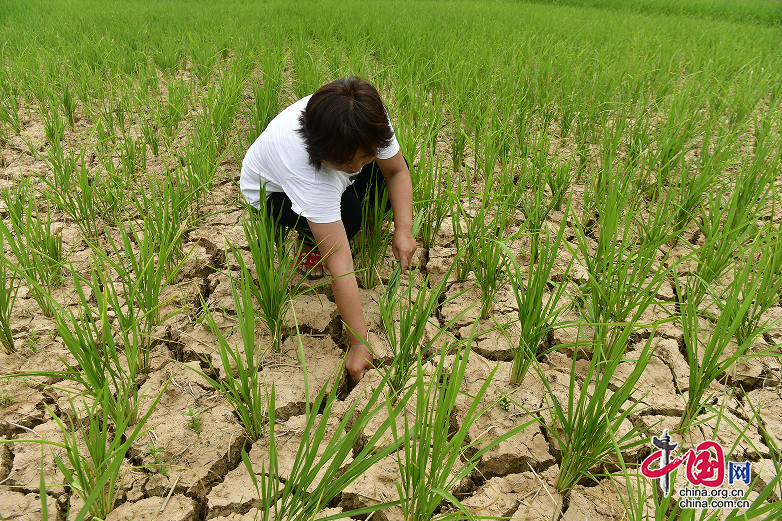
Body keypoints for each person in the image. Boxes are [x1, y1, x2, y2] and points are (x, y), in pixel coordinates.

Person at [240, 76, 417, 384]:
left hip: (329, 165)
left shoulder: (367, 120)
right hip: (272, 194)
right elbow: (341, 264)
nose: (355, 167)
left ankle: (363, 224)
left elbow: (397, 171)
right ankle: (310, 241)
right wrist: (359, 344)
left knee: (383, 188)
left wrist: (404, 229)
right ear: (321, 149)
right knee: (348, 218)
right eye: (343, 161)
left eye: (364, 157)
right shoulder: (303, 168)